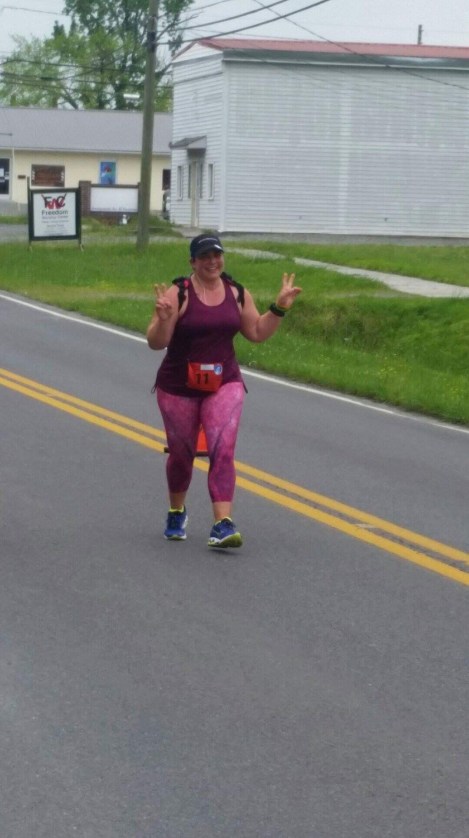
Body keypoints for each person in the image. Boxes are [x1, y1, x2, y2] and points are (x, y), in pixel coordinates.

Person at [146, 233, 301, 548]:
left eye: (216, 255)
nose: (212, 262)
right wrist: (163, 320)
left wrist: (279, 308)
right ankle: (176, 511)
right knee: (182, 454)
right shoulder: (178, 293)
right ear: (192, 262)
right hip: (178, 385)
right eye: (204, 257)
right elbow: (156, 342)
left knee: (223, 448)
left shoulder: (236, 293)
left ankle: (222, 524)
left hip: (224, 381)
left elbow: (256, 331)